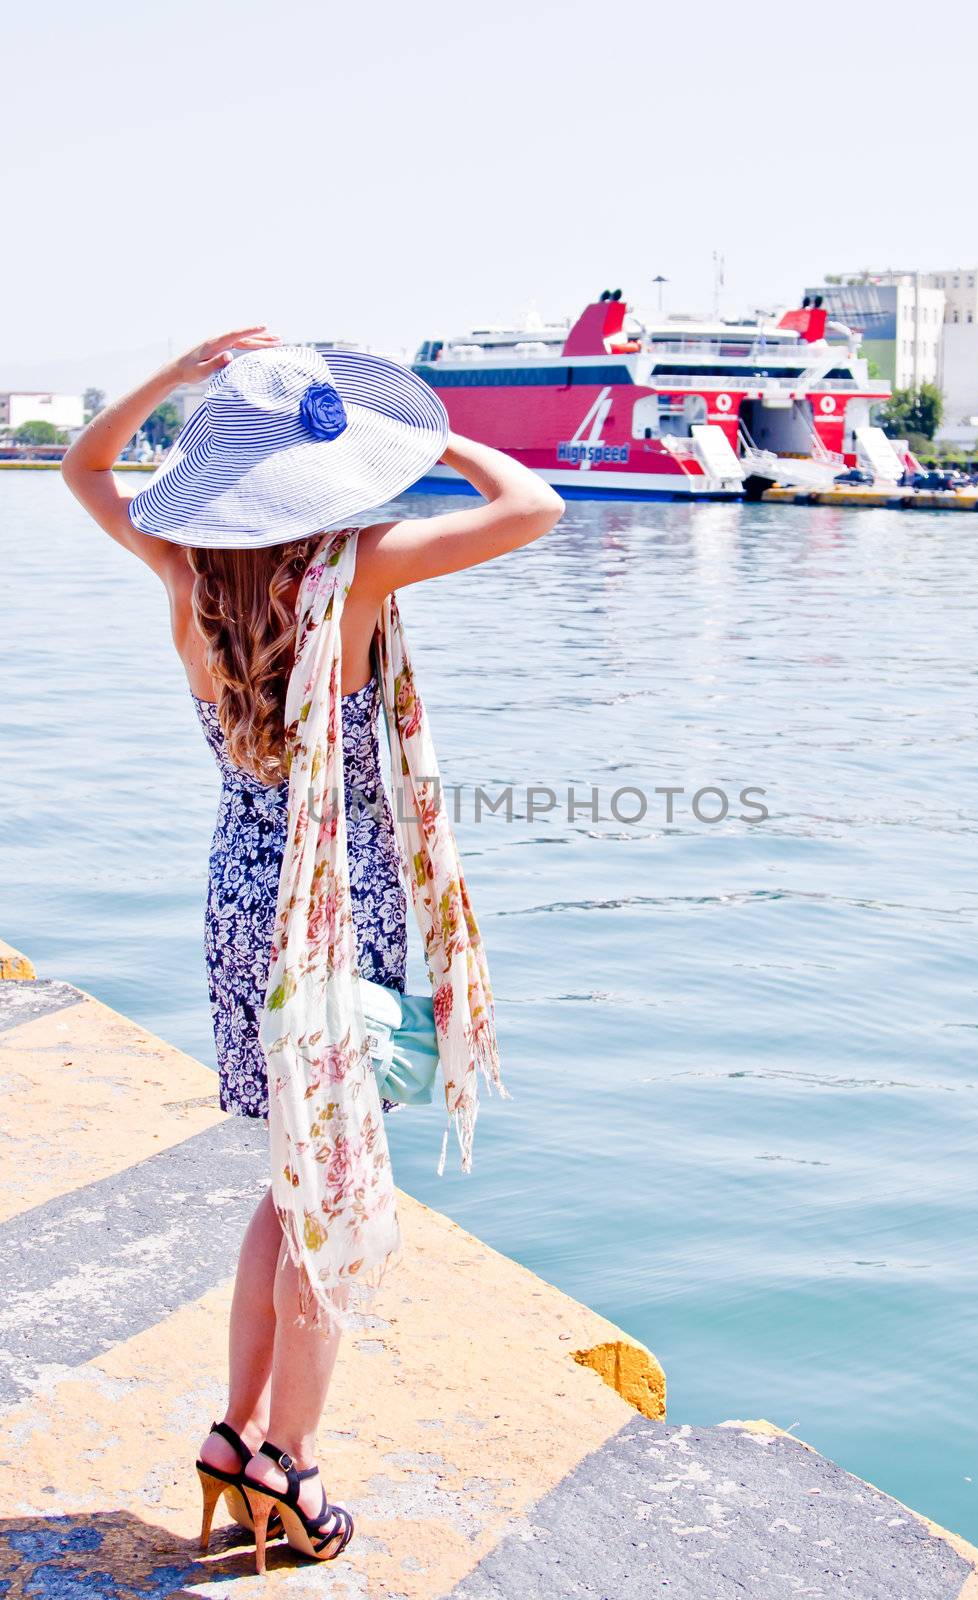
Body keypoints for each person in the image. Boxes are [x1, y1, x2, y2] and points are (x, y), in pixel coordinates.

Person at [61, 327, 563, 1567]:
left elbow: (83, 468)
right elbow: (533, 503)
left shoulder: (182, 566)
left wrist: (174, 380)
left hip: (241, 892)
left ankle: (236, 1436)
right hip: (331, 902)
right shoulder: (365, 567)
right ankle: (289, 1463)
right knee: (331, 1197)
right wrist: (421, 436)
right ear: (322, 475)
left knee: (292, 1180)